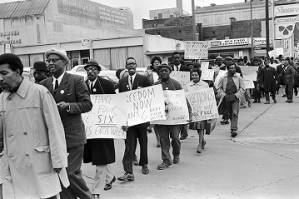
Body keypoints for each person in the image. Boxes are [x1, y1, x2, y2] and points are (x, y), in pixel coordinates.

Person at [0, 53, 69, 198]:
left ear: (18, 71)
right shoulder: (2, 97)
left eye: (4, 73)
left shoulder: (40, 93)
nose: (0, 78)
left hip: (38, 164)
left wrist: (58, 161)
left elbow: (55, 129)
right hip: (13, 166)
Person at [40, 48, 93, 199]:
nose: (50, 63)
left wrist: (69, 106)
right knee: (60, 175)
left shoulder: (76, 80)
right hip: (54, 139)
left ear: (64, 62)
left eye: (54, 60)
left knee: (71, 173)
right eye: (48, 61)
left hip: (73, 137)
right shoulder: (44, 84)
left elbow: (87, 104)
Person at [83, 60, 116, 199]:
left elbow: (115, 105)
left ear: (98, 71)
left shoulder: (107, 85)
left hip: (103, 127)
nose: (91, 71)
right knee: (99, 154)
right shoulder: (82, 85)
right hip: (89, 128)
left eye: (93, 69)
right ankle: (110, 177)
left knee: (100, 156)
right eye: (88, 69)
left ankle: (97, 189)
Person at [117, 57, 152, 182]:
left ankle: (144, 164)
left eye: (133, 63)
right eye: (129, 64)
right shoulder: (122, 81)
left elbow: (151, 98)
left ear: (136, 65)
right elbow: (121, 100)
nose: (131, 65)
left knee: (143, 143)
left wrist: (149, 121)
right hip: (129, 120)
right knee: (129, 145)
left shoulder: (144, 79)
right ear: (126, 66)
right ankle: (128, 171)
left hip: (142, 119)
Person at [154, 63, 184, 170]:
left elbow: (182, 100)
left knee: (175, 138)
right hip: (161, 118)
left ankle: (176, 154)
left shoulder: (176, 84)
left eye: (166, 70)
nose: (164, 72)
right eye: (161, 71)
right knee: (163, 140)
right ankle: (166, 160)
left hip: (174, 118)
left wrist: (186, 115)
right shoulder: (156, 85)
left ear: (169, 71)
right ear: (159, 73)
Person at [216, 64, 245, 138]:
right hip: (226, 98)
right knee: (230, 114)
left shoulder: (239, 77)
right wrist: (223, 95)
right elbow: (218, 88)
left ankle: (233, 129)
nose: (233, 69)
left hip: (235, 98)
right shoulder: (223, 78)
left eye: (234, 68)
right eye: (231, 68)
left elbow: (242, 88)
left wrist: (237, 95)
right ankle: (234, 125)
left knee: (235, 113)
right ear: (228, 69)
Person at [186, 68, 209, 153]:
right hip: (192, 109)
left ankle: (199, 144)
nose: (194, 76)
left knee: (201, 126)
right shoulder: (187, 85)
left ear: (199, 75)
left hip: (202, 108)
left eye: (196, 75)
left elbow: (208, 96)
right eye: (192, 75)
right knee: (197, 127)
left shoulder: (205, 84)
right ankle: (202, 141)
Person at [170, 52, 189, 140]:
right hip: (173, 94)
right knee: (176, 113)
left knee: (184, 112)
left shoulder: (186, 68)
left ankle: (184, 131)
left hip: (184, 93)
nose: (177, 59)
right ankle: (176, 131)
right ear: (172, 59)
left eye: (178, 58)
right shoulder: (169, 68)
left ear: (180, 58)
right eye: (175, 58)